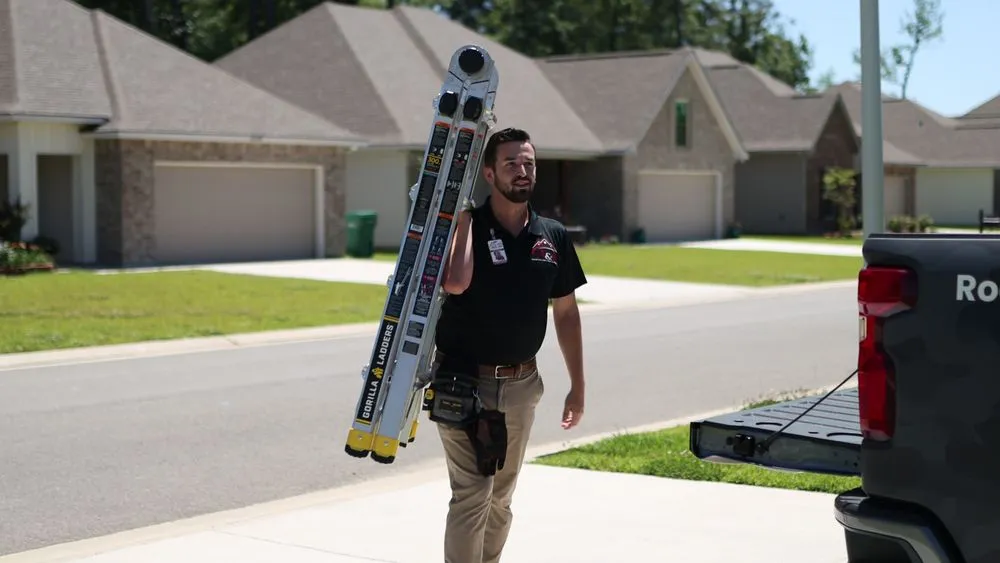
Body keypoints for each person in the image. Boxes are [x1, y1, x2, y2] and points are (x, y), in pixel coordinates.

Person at [430, 126, 587, 563]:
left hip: (521, 386)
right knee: (473, 493)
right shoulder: (468, 226)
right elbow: (455, 282)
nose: (522, 171)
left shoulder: (552, 235)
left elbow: (567, 313)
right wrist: (464, 218)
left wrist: (577, 386)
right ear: (489, 174)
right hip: (463, 384)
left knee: (501, 496)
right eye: (511, 163)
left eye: (529, 163)